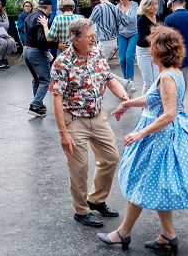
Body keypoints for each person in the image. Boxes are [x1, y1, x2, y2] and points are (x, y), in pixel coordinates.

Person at [98, 26, 188, 253]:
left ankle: (123, 233)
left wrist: (140, 133)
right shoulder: (172, 73)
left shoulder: (167, 77)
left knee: (141, 182)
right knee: (156, 184)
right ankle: (168, 234)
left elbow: (168, 114)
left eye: (152, 46)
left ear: (158, 51)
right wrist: (128, 103)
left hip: (159, 138)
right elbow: (152, 100)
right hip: (159, 135)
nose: (149, 50)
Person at [49, 18, 130, 228]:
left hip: (98, 116)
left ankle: (96, 199)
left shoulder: (96, 53)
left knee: (111, 157)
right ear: (75, 39)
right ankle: (81, 210)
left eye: (94, 35)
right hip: (74, 120)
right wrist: (63, 132)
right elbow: (56, 98)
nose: (94, 39)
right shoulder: (62, 63)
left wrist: (124, 97)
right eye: (89, 36)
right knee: (79, 167)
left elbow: (108, 78)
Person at [24, 0, 57, 116]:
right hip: (37, 52)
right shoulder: (42, 18)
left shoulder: (29, 16)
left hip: (27, 51)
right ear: (48, 8)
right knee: (45, 80)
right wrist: (57, 45)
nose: (51, 11)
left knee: (36, 80)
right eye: (50, 9)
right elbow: (42, 40)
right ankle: (35, 106)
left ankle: (39, 105)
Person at [135, 0, 160, 95]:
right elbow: (143, 38)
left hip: (156, 50)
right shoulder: (141, 19)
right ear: (146, 6)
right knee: (148, 81)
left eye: (156, 4)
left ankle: (155, 104)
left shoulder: (157, 17)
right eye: (152, 5)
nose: (155, 7)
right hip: (144, 51)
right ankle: (144, 105)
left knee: (157, 80)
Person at [116, 0, 139, 93]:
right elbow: (116, 22)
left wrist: (122, 16)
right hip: (121, 34)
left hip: (133, 33)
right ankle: (126, 81)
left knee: (129, 56)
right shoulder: (117, 7)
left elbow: (133, 19)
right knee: (122, 59)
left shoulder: (134, 5)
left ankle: (131, 81)